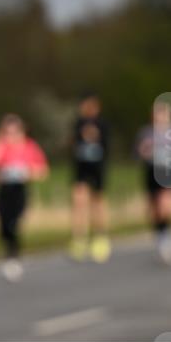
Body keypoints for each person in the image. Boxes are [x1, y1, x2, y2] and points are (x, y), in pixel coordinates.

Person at [0, 114, 49, 282]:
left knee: (13, 224)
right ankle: (9, 251)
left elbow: (43, 171)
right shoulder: (1, 146)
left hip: (20, 190)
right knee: (2, 226)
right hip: (3, 190)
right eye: (8, 131)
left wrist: (27, 172)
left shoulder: (30, 147)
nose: (12, 135)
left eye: (15, 131)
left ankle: (13, 256)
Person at [136, 100, 171, 265]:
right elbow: (139, 153)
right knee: (154, 208)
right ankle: (161, 237)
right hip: (151, 171)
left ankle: (166, 236)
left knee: (165, 206)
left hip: (167, 172)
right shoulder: (146, 132)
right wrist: (145, 150)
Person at [69, 92, 111, 262]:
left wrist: (95, 136)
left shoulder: (103, 124)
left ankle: (100, 237)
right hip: (81, 168)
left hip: (98, 168)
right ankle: (79, 237)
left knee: (98, 202)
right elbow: (72, 145)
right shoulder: (78, 124)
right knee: (79, 201)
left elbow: (107, 146)